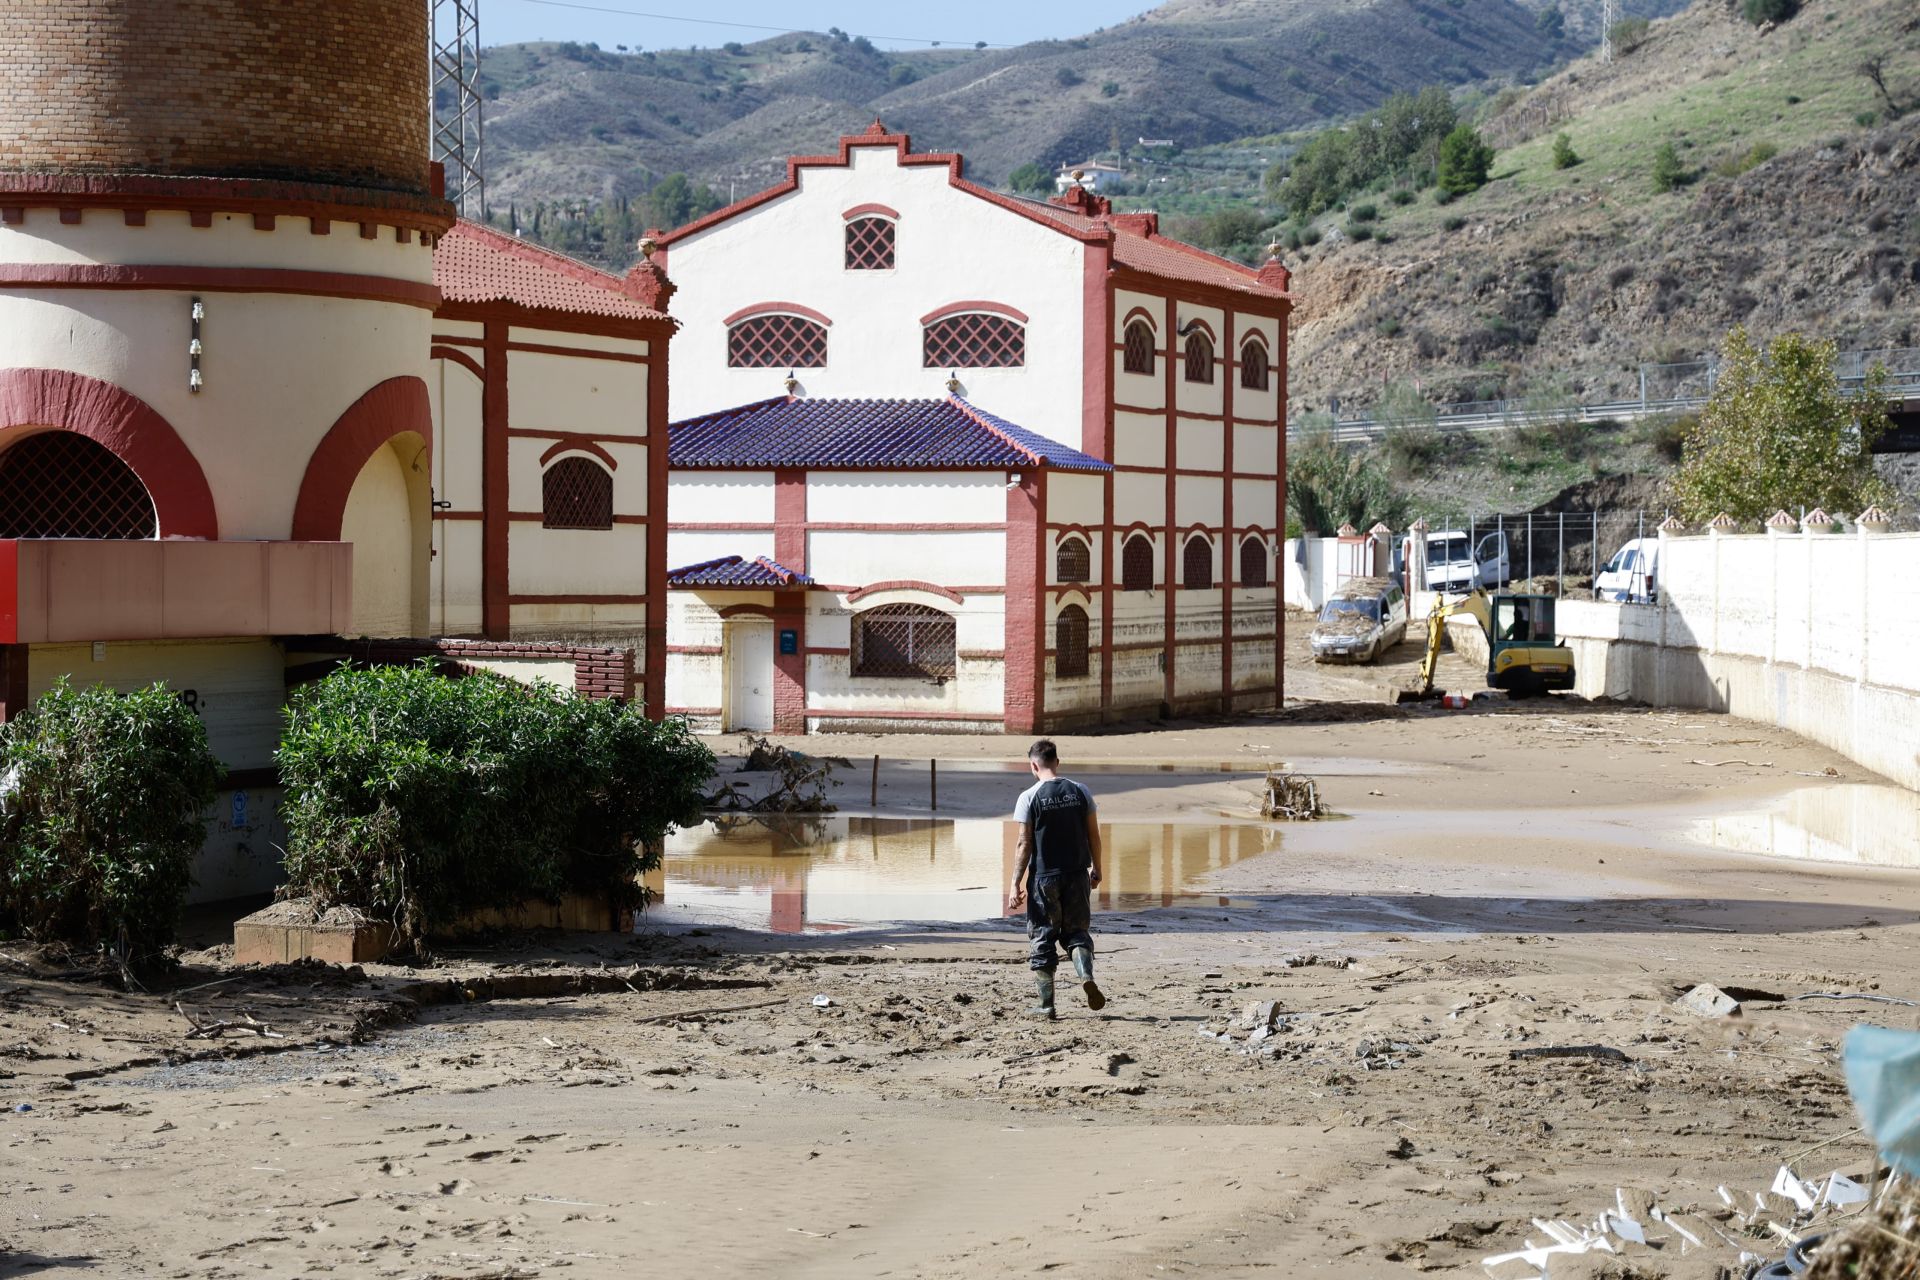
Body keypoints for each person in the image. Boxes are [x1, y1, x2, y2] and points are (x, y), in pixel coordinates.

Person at [1006, 739, 1105, 1019]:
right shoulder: (1080, 791)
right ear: (1057, 763)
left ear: (1033, 766)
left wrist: (1015, 882)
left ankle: (1046, 1004)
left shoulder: (1029, 797)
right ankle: (1085, 974)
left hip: (1044, 879)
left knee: (1042, 937)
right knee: (1077, 933)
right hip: (1077, 874)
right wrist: (1097, 868)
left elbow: (1024, 843)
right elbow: (1093, 836)